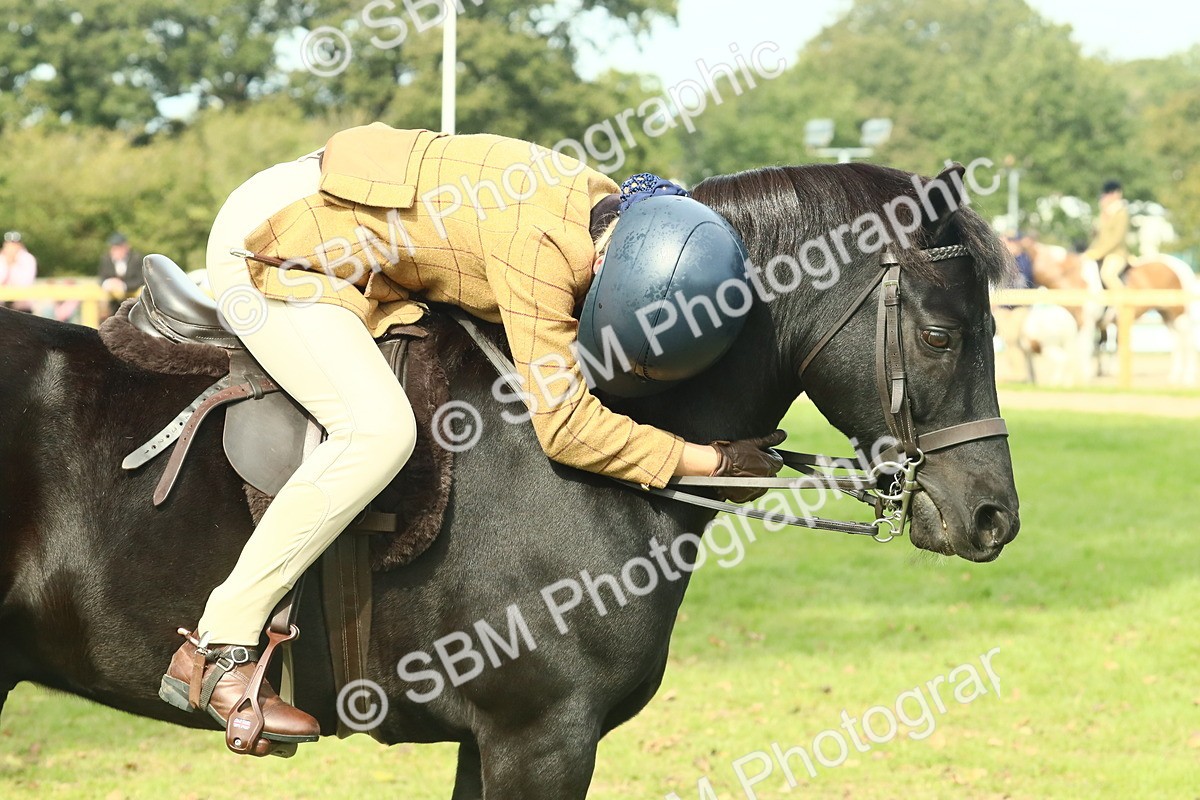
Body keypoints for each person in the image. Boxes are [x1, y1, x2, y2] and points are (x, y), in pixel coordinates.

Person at [158, 124, 787, 746]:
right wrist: (710, 460)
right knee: (376, 431)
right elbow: (566, 427)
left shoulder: (608, 202)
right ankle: (219, 646)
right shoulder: (539, 249)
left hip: (325, 206)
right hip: (273, 240)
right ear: (606, 257)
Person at [1084, 180, 1130, 291]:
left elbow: (1117, 238)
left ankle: (1123, 303)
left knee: (1107, 274)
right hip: (1099, 252)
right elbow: (1098, 238)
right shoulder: (1104, 213)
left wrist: (1099, 252)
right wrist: (1090, 251)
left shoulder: (1121, 213)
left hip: (1116, 253)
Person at [0, 231, 38, 311]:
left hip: (22, 305)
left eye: (14, 244)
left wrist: (13, 263)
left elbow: (26, 283)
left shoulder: (28, 259)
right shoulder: (2, 258)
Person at [99, 232, 145, 296]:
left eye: (119, 248)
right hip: (112, 300)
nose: (116, 251)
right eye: (114, 249)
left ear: (126, 247)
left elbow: (141, 280)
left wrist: (123, 285)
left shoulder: (135, 259)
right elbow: (101, 278)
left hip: (133, 299)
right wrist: (108, 283)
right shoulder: (106, 260)